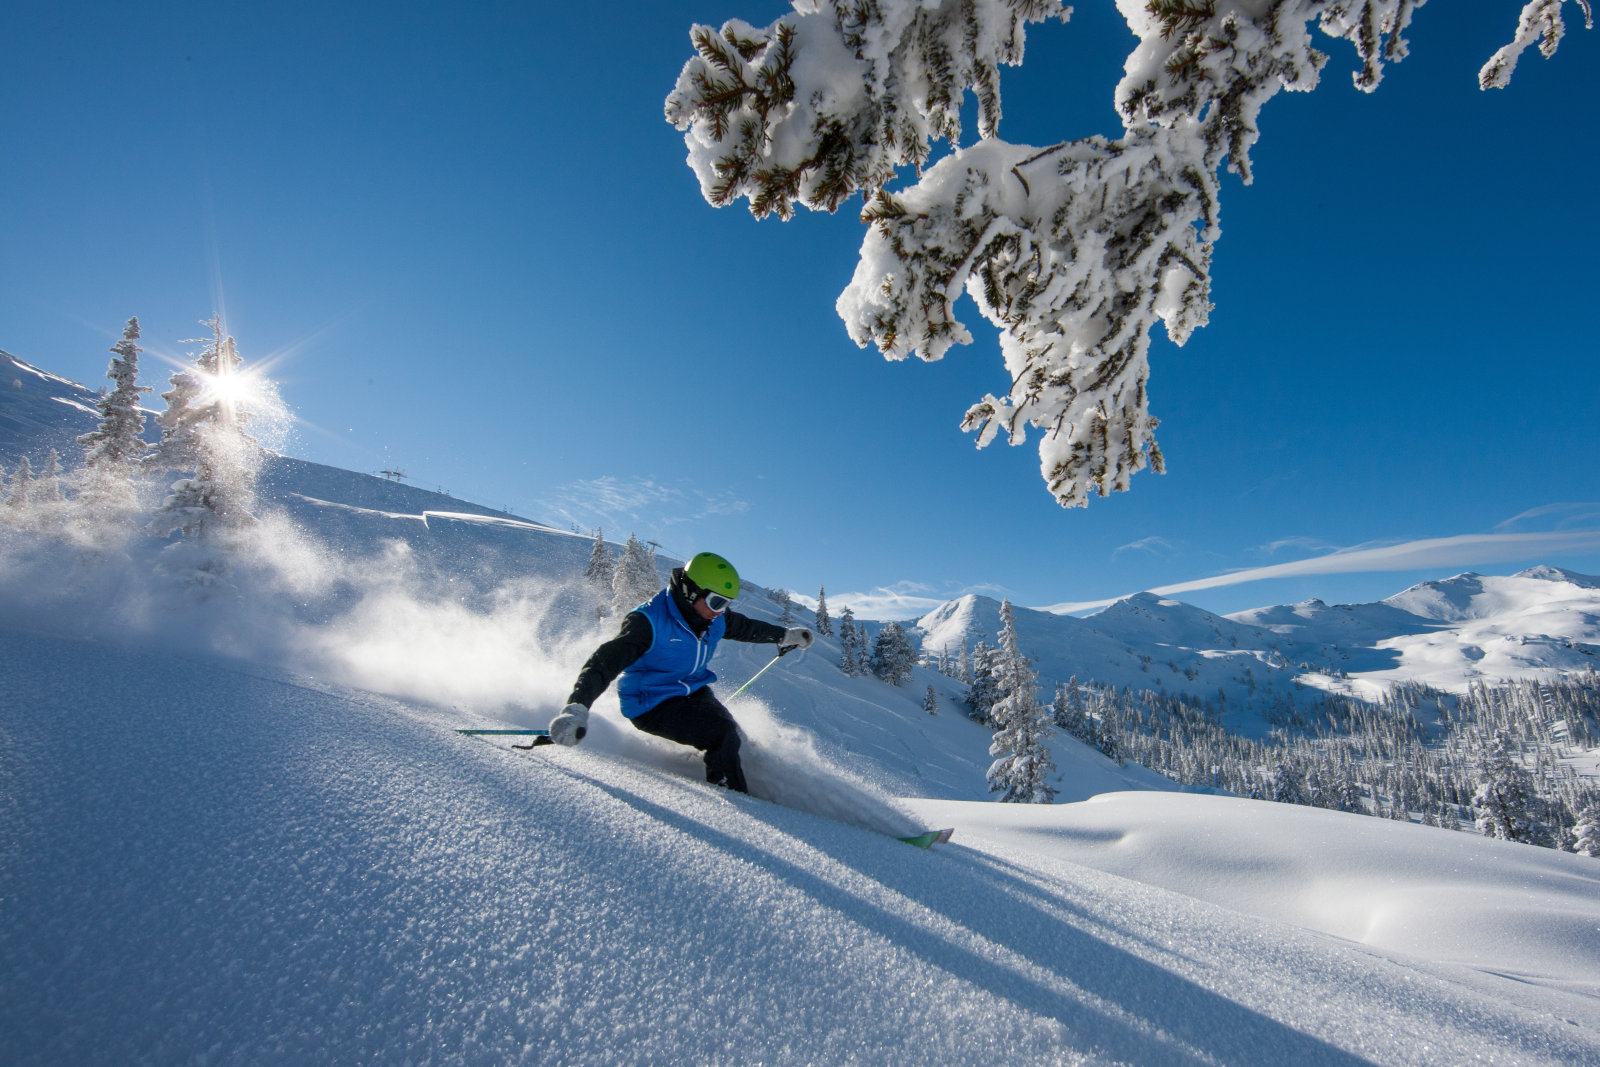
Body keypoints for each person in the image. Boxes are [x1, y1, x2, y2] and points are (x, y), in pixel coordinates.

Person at [550, 552, 813, 793]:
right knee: (722, 735)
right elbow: (603, 663)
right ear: (690, 591)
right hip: (651, 703)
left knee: (733, 735)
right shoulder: (648, 621)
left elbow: (744, 627)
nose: (719, 611)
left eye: (726, 604)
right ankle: (734, 801)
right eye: (716, 602)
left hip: (692, 689)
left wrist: (784, 635)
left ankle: (718, 771)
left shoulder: (713, 616)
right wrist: (577, 707)